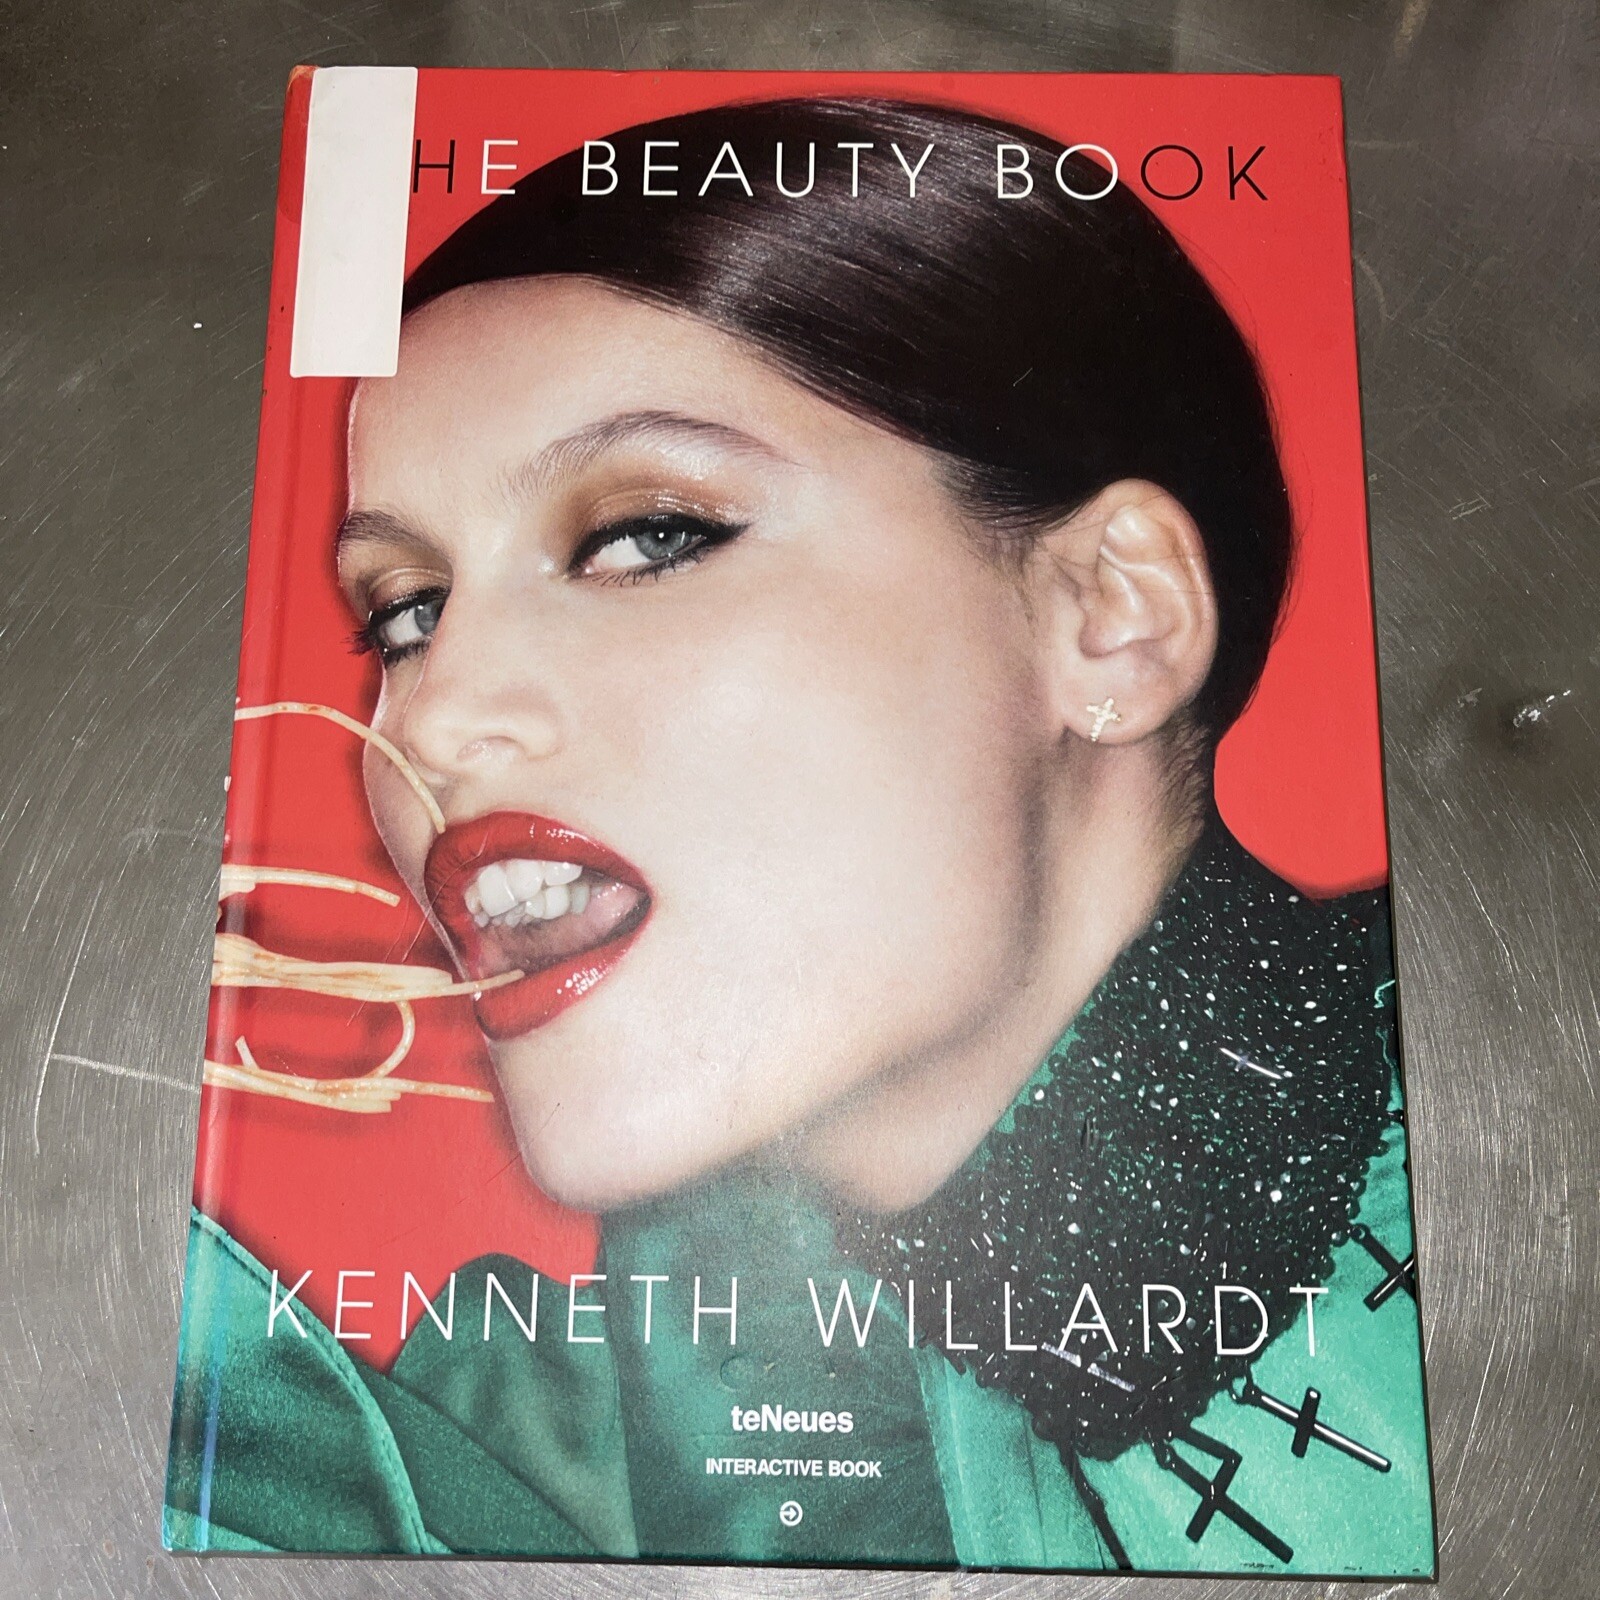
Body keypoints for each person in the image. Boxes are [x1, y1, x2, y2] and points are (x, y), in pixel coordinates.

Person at [166, 97, 1433, 1576]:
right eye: (404, 612)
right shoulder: (512, 1447)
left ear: (1112, 614)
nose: (427, 720)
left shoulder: (1513, 1143)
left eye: (647, 535)